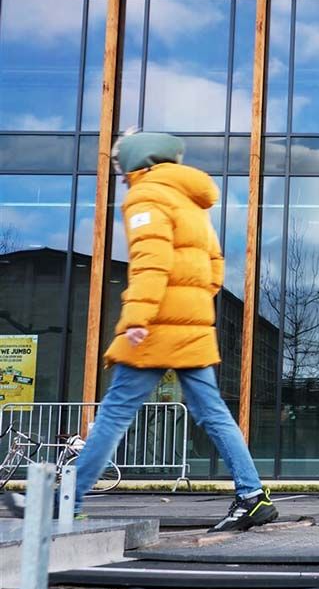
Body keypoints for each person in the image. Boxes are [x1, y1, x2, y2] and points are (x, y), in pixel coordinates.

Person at [5, 132, 277, 532]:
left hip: (154, 329)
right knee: (213, 413)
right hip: (191, 325)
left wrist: (136, 317)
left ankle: (67, 500)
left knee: (115, 412)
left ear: (136, 162)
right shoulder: (190, 200)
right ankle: (252, 496)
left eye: (118, 164)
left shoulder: (146, 195)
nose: (118, 173)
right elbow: (215, 265)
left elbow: (152, 261)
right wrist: (193, 303)